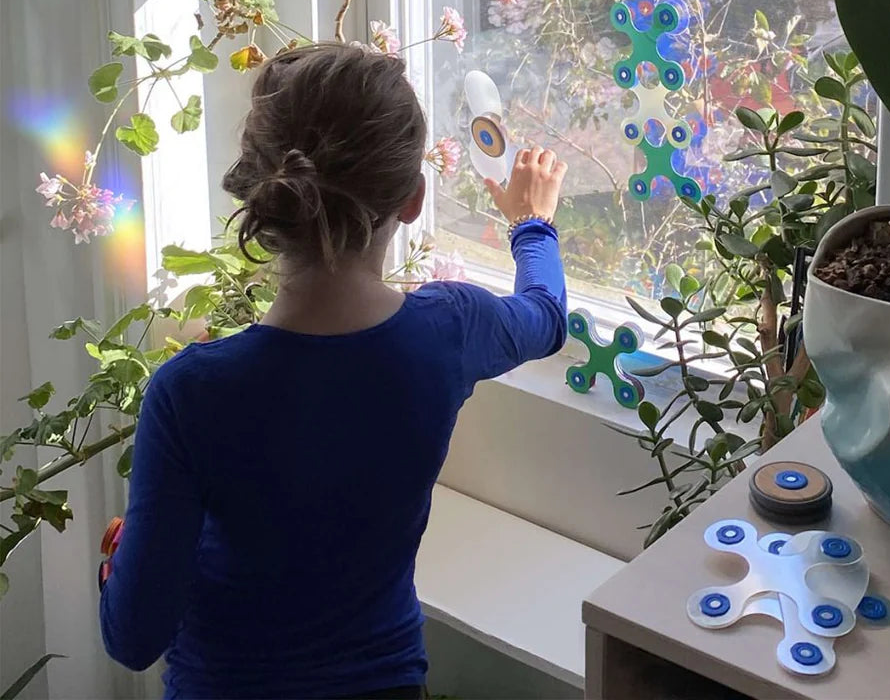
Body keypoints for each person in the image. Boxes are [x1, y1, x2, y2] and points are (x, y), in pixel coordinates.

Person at [99, 43, 568, 699]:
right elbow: (546, 316)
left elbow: (133, 636)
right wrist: (531, 224)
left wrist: (122, 561)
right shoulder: (449, 332)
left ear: (263, 192)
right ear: (412, 200)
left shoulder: (193, 394)